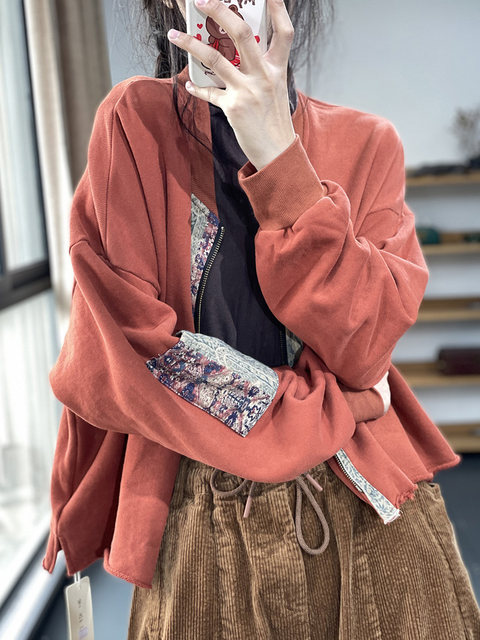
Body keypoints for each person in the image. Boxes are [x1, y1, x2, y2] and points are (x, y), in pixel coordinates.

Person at [41, 0, 480, 638]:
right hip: (201, 523)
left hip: (369, 513)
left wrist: (280, 158)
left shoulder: (367, 142)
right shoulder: (134, 124)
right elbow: (135, 357)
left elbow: (364, 346)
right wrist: (343, 404)